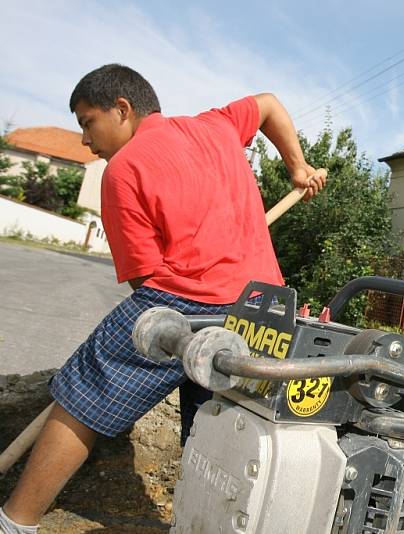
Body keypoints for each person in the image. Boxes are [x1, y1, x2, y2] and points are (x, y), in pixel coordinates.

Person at [0, 64, 326, 533]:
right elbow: (270, 104)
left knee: (84, 391)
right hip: (264, 312)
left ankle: (16, 521)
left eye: (88, 122)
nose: (85, 141)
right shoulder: (215, 125)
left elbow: (147, 283)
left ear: (123, 109)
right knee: (212, 428)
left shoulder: (123, 170)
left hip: (186, 302)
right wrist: (297, 166)